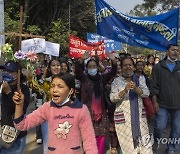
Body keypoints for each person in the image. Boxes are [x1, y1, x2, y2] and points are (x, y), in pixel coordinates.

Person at [13, 73, 98, 154]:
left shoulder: (81, 109)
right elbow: (21, 125)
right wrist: (19, 105)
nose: (54, 90)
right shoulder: (47, 107)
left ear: (71, 91)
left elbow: (89, 141)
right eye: (52, 86)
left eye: (60, 87)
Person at [75, 52, 117, 154]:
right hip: (86, 114)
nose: (92, 68)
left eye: (94, 66)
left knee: (100, 136)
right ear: (87, 68)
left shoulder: (102, 78)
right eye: (90, 66)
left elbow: (113, 72)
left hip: (101, 115)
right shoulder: (84, 78)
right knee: (86, 137)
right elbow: (77, 70)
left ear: (98, 67)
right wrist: (81, 59)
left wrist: (113, 61)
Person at [110, 57, 153, 154]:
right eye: (125, 65)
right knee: (128, 148)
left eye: (130, 65)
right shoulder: (116, 81)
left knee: (145, 148)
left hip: (139, 119)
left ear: (133, 67)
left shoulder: (139, 79)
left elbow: (146, 93)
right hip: (124, 119)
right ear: (121, 67)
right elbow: (112, 98)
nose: (128, 67)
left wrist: (137, 90)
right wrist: (124, 91)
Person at [150, 44, 180, 154]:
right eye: (173, 50)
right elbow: (153, 86)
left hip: (178, 105)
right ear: (167, 51)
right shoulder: (158, 67)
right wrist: (154, 101)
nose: (175, 52)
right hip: (162, 104)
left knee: (177, 130)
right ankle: (156, 140)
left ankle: (171, 148)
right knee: (159, 126)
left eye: (177, 50)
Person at [0, 61, 30, 154]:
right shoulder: (1, 87)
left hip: (13, 135)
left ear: (18, 74)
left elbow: (21, 110)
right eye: (4, 71)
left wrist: (9, 92)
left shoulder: (23, 89)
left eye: (10, 71)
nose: (6, 73)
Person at [38, 59, 61, 153]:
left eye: (58, 65)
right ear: (49, 68)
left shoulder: (68, 80)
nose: (56, 67)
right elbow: (37, 87)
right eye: (53, 65)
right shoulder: (45, 81)